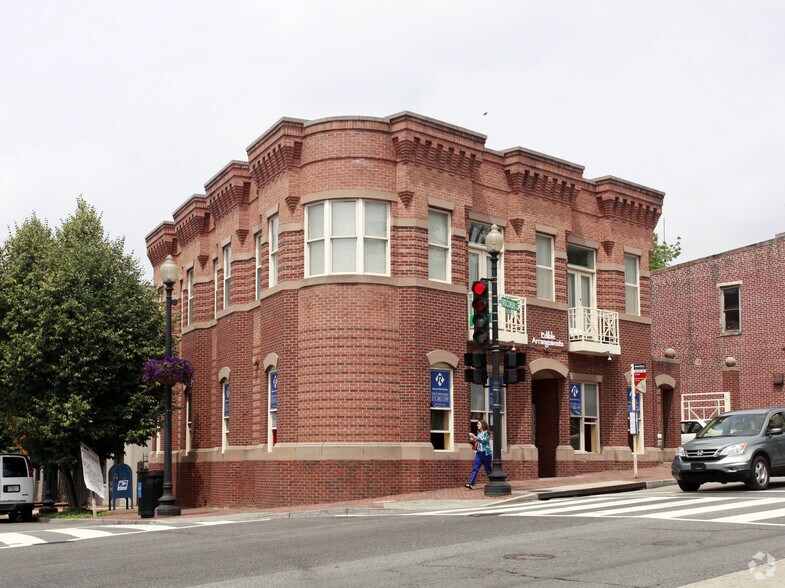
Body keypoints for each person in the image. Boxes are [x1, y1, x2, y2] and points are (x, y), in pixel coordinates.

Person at [465, 419, 492, 489]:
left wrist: (475, 437)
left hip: (486, 454)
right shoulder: (479, 432)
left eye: (479, 424)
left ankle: (493, 482)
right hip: (479, 454)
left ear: (483, 425)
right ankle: (470, 484)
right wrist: (473, 440)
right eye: (477, 424)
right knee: (475, 468)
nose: (477, 425)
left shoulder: (487, 433)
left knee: (488, 470)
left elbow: (484, 440)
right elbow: (478, 441)